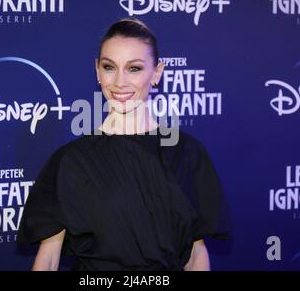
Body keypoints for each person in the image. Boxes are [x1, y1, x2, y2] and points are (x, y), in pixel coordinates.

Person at [17, 18, 229, 271]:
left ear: (157, 73)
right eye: (109, 67)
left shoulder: (188, 154)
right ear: (97, 70)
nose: (119, 82)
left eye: (134, 68)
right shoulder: (70, 161)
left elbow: (195, 256)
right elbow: (48, 260)